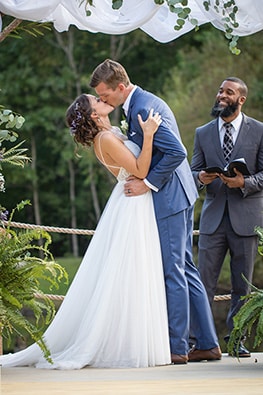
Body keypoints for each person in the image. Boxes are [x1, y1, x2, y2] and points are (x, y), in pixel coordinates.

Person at [0, 94, 172, 369]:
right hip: (133, 203)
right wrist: (149, 135)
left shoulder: (111, 133)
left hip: (136, 201)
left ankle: (134, 341)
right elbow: (140, 169)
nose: (101, 98)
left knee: (134, 271)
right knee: (132, 270)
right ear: (93, 114)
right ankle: (128, 346)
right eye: (96, 99)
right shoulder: (104, 140)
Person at [90, 59, 221, 364]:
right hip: (179, 194)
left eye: (105, 95)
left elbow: (177, 152)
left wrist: (148, 183)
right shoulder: (138, 104)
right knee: (185, 269)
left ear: (120, 87)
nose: (104, 100)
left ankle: (177, 347)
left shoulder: (143, 108)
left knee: (173, 270)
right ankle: (207, 343)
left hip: (170, 197)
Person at [191, 77, 263, 357]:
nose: (221, 95)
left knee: (241, 285)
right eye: (220, 90)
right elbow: (193, 171)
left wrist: (244, 184)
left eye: (228, 92)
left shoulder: (259, 130)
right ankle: (200, 342)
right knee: (202, 282)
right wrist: (200, 176)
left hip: (246, 219)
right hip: (212, 219)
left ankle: (236, 341)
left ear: (241, 99)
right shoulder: (202, 132)